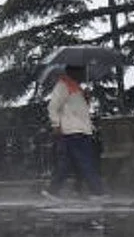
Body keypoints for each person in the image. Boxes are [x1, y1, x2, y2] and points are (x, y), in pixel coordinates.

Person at [42, 65, 105, 200]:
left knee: (67, 164)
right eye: (81, 71)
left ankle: (52, 190)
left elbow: (79, 109)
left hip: (80, 130)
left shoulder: (76, 87)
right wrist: (56, 124)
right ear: (73, 72)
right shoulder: (63, 85)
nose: (83, 74)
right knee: (86, 161)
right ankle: (97, 191)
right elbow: (53, 107)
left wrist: (86, 99)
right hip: (73, 130)